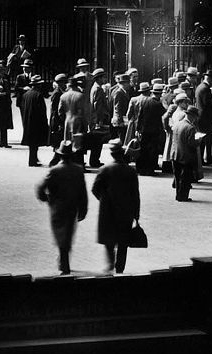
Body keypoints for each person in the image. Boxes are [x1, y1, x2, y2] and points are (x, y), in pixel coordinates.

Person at [92, 141, 141, 273]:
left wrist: (103, 200)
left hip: (108, 210)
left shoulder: (105, 169)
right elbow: (135, 194)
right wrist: (136, 214)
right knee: (123, 242)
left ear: (112, 154)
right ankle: (120, 268)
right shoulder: (131, 171)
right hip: (126, 211)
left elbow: (95, 189)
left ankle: (110, 263)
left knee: (109, 239)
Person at [37, 144, 87, 274]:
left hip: (57, 208)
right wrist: (83, 209)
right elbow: (83, 192)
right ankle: (64, 260)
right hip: (72, 207)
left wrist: (46, 199)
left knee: (60, 234)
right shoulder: (78, 170)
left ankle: (64, 263)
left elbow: (40, 188)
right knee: (68, 233)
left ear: (60, 155)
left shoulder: (54, 171)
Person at [170, 100, 201, 201]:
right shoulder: (191, 128)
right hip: (186, 156)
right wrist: (199, 140)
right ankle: (183, 196)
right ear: (193, 116)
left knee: (177, 176)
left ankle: (178, 195)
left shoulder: (178, 124)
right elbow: (192, 144)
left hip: (175, 154)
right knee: (185, 178)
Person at [19, 74, 50, 166]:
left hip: (27, 121)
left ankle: (33, 159)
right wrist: (45, 123)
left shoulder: (26, 94)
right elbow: (42, 111)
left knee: (31, 143)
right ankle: (32, 160)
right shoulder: (38, 95)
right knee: (35, 143)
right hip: (36, 122)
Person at [86, 68, 113, 166]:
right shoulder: (98, 89)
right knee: (97, 141)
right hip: (97, 119)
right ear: (98, 78)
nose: (105, 79)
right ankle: (94, 161)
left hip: (94, 118)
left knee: (96, 141)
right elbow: (98, 106)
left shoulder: (95, 88)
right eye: (103, 77)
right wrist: (100, 119)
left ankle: (94, 160)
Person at [194, 71, 212, 166]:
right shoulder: (205, 89)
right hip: (206, 117)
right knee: (205, 139)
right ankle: (206, 158)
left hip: (202, 116)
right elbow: (207, 103)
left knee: (204, 139)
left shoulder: (200, 87)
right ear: (210, 79)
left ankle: (205, 158)